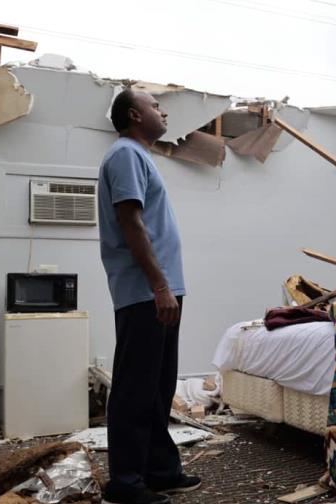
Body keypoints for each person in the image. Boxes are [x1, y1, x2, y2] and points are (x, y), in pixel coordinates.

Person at [98, 89, 201, 504]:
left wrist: (167, 287)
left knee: (158, 388)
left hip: (161, 291)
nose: (163, 112)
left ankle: (159, 471)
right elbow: (131, 223)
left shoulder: (139, 156)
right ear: (135, 115)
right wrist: (159, 285)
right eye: (155, 106)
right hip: (145, 292)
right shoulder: (125, 154)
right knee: (135, 389)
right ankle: (124, 483)